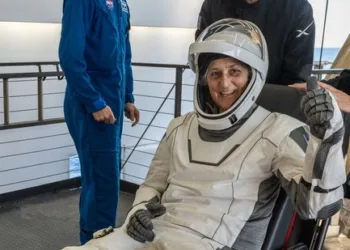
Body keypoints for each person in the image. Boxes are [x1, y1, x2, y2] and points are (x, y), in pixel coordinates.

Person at [62, 19, 346, 250]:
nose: (224, 83)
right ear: (203, 79)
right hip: (151, 236)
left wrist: (327, 135)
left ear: (253, 76)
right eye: (215, 73)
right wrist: (138, 211)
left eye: (235, 71)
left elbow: (317, 207)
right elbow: (153, 184)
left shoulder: (280, 130)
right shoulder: (180, 126)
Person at [58, 0, 139, 245]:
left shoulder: (122, 4)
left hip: (112, 104)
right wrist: (94, 102)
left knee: (106, 179)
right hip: (91, 105)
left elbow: (124, 54)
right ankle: (94, 244)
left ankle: (98, 243)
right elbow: (70, 56)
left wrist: (127, 97)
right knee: (102, 184)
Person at [195, 0, 315, 86]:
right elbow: (203, 60)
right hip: (220, 103)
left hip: (275, 105)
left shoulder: (298, 9)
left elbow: (297, 76)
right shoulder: (212, 5)